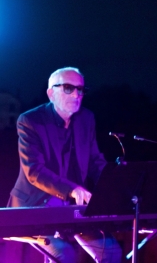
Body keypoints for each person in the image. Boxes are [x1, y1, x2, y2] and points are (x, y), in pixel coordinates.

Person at [8, 67, 122, 263]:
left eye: (81, 89)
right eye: (69, 88)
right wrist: (73, 189)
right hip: (35, 206)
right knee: (65, 254)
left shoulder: (86, 118)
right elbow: (34, 171)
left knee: (110, 251)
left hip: (71, 208)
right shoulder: (30, 120)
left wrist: (121, 185)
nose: (77, 94)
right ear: (51, 93)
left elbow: (95, 162)